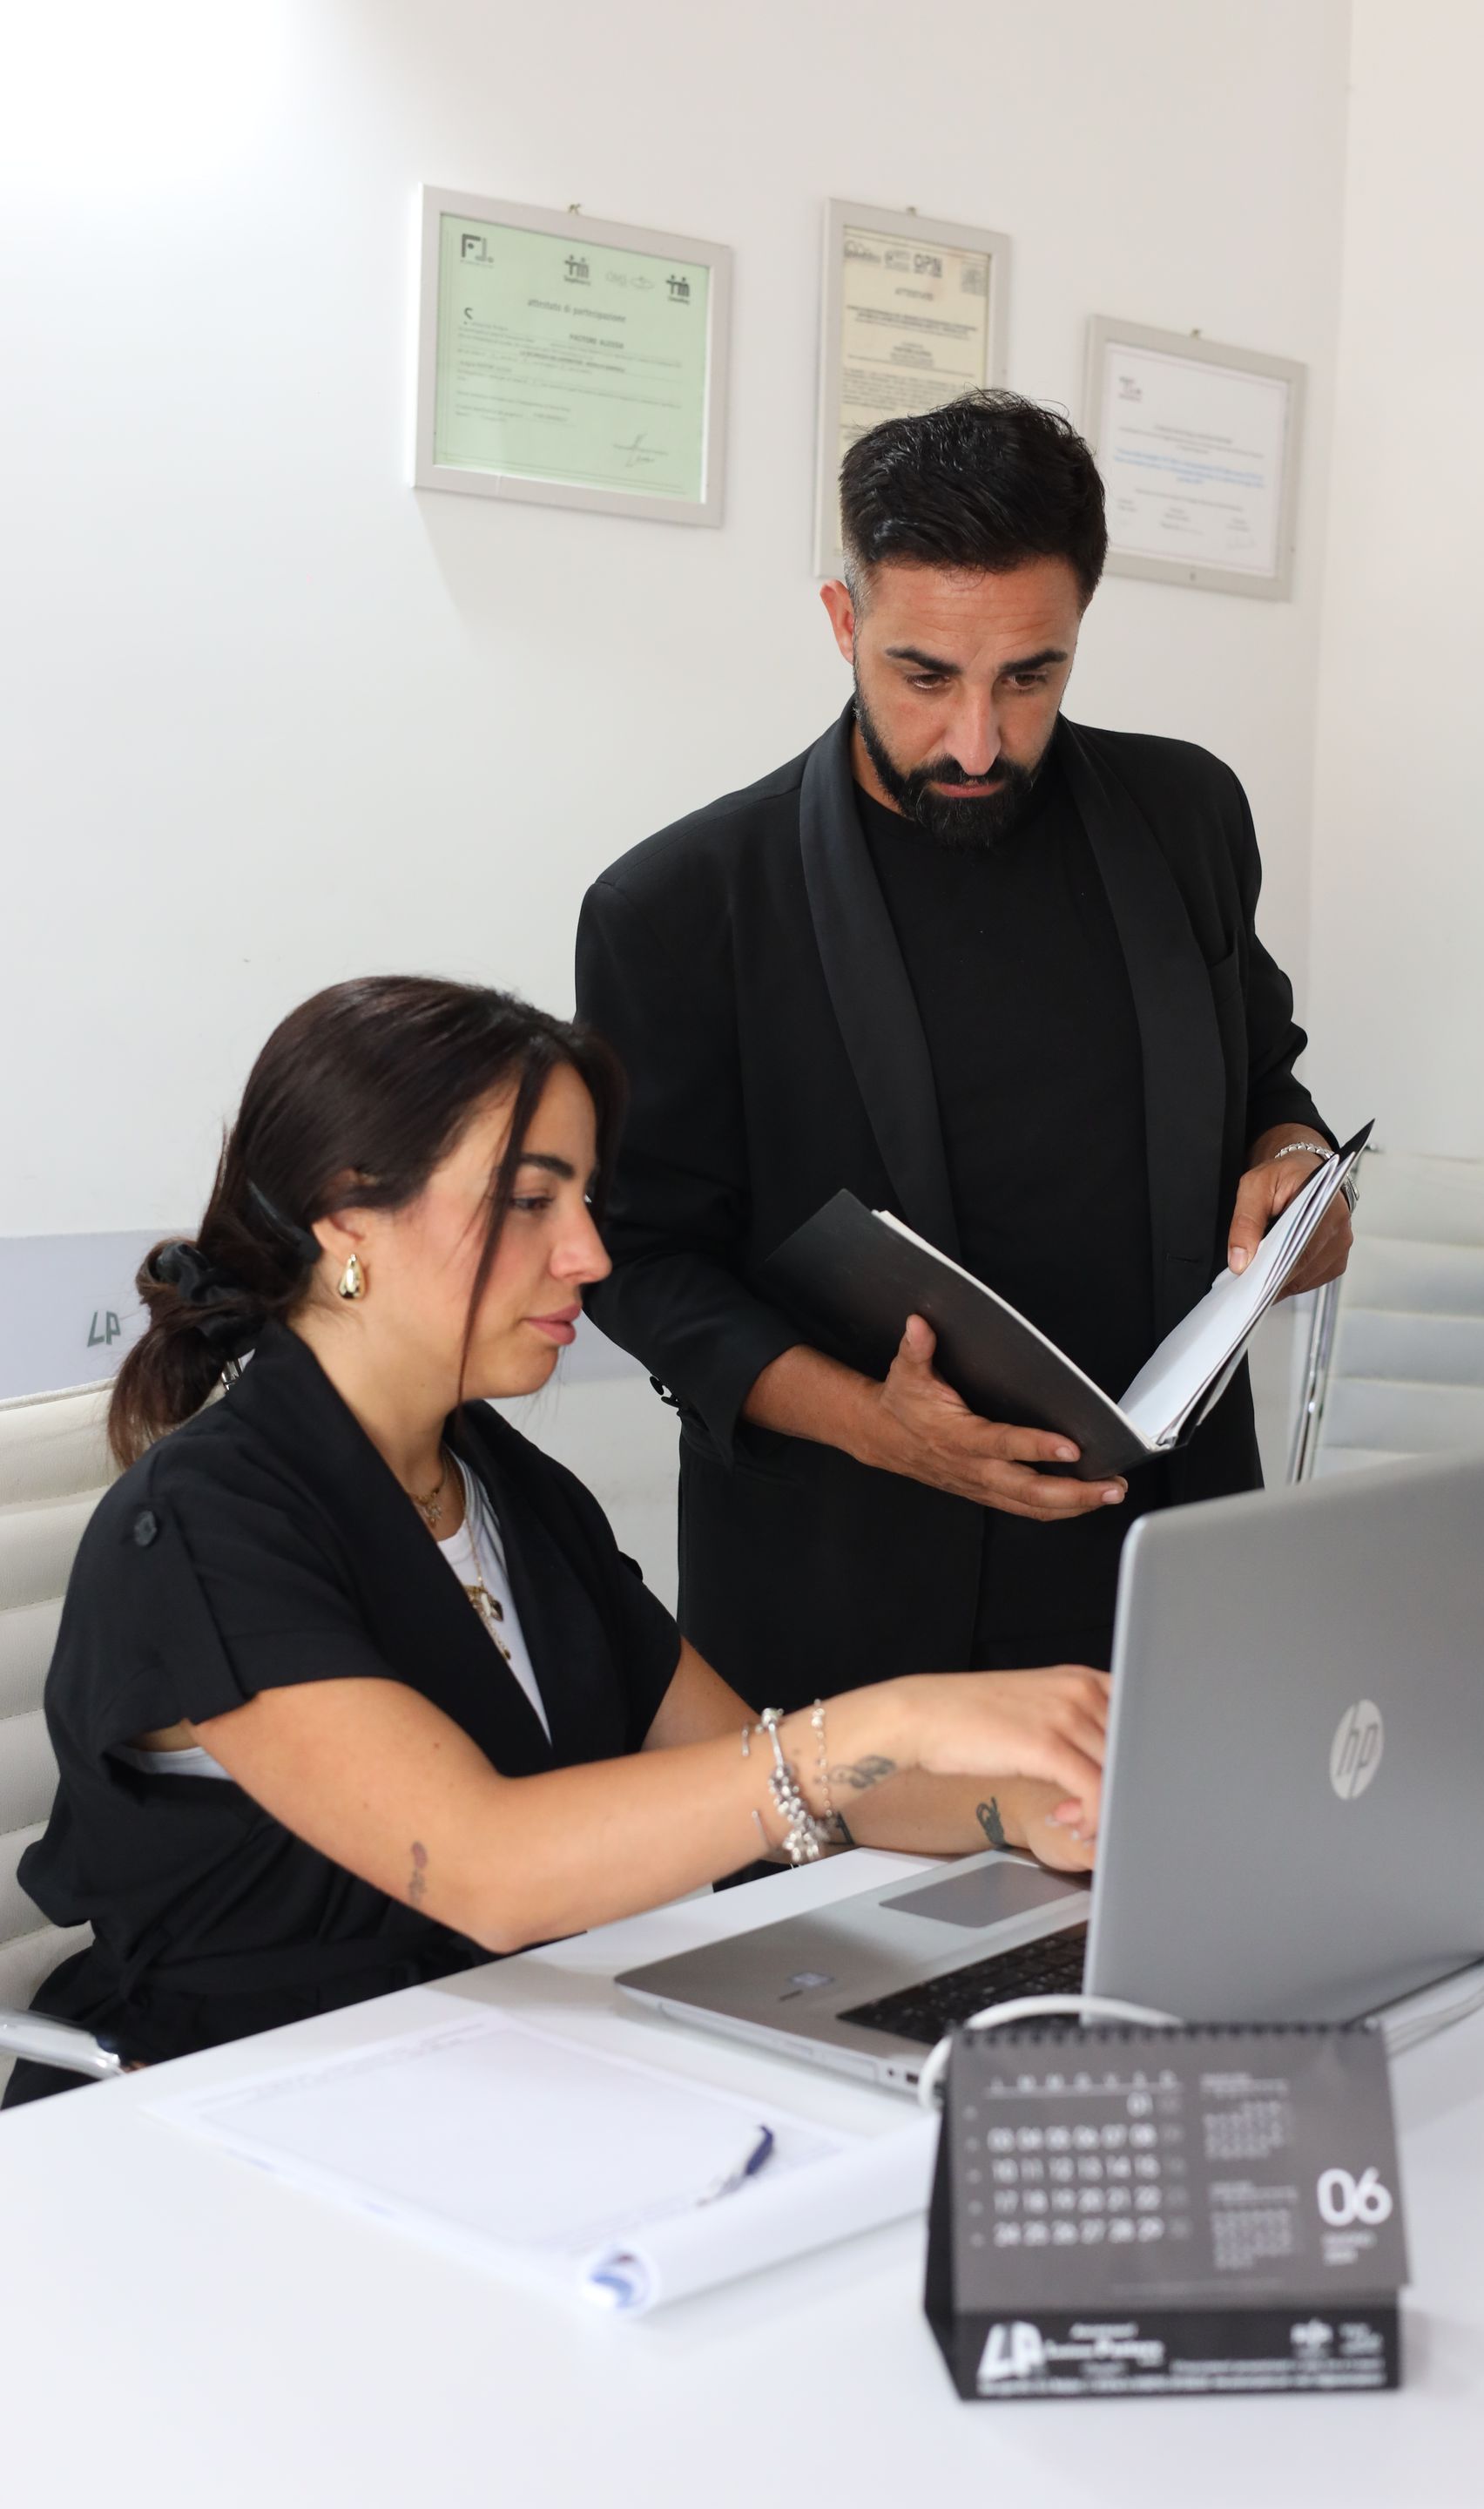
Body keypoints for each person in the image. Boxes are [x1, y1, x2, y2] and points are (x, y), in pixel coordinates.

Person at [4, 977, 1110, 2107]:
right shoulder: (205, 1529)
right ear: (347, 1218)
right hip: (240, 2117)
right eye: (532, 1200)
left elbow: (758, 1770)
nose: (588, 1252)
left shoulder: (499, 1481)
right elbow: (487, 1871)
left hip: (503, 2066)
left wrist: (1034, 1810)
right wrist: (882, 1720)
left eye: (586, 1199)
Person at [576, 392, 1352, 1711]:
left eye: (1029, 677)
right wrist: (874, 1421)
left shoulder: (1187, 814)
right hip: (859, 1580)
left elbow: (1262, 1077)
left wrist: (1298, 1172)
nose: (977, 741)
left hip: (1171, 1551)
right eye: (924, 677)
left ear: (1079, 631)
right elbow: (639, 1264)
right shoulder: (678, 905)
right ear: (844, 623)